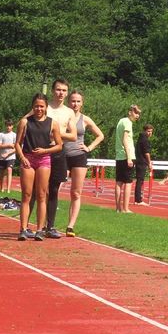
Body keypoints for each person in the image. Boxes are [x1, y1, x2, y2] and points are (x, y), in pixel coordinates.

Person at [15, 94, 62, 239]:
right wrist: (22, 158)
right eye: (36, 106)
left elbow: (60, 145)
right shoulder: (25, 122)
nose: (39, 109)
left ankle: (40, 230)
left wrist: (45, 151)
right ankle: (23, 228)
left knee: (42, 195)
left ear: (46, 107)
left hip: (44, 160)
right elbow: (17, 143)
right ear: (32, 107)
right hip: (28, 159)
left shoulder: (53, 123)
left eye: (41, 106)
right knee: (26, 195)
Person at [63, 91, 105, 236]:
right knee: (52, 190)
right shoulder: (62, 116)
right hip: (62, 156)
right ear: (69, 102)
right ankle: (47, 224)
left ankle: (70, 226)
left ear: (82, 103)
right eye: (73, 101)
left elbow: (100, 135)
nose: (75, 104)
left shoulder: (85, 119)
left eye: (78, 101)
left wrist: (89, 148)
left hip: (79, 157)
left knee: (76, 192)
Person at [42, 79, 76, 239]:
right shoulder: (44, 107)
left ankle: (50, 226)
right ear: (52, 91)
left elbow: (73, 135)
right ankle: (32, 226)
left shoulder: (69, 112)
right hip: (42, 151)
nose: (60, 93)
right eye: (58, 90)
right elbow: (26, 121)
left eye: (64, 90)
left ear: (67, 92)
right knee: (40, 190)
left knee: (54, 190)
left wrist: (56, 133)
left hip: (58, 152)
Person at [112, 105, 142, 213]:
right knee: (128, 182)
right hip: (126, 155)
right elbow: (125, 139)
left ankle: (118, 208)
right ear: (130, 112)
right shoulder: (128, 123)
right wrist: (129, 157)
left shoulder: (121, 121)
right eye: (135, 113)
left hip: (119, 156)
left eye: (138, 113)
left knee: (119, 182)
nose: (137, 115)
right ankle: (125, 208)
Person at [134, 123, 154, 205]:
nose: (150, 133)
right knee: (140, 180)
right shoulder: (145, 140)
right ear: (145, 131)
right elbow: (147, 153)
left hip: (138, 161)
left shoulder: (140, 138)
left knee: (139, 181)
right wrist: (149, 163)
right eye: (148, 131)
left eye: (151, 132)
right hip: (142, 162)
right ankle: (138, 200)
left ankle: (137, 199)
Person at [0, 120, 16, 193]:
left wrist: (8, 154)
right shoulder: (1, 134)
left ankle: (8, 189)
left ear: (12, 126)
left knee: (9, 170)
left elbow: (16, 147)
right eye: (7, 125)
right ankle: (1, 188)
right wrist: (9, 145)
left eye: (10, 125)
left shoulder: (14, 135)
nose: (8, 127)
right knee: (2, 173)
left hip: (11, 156)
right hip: (2, 156)